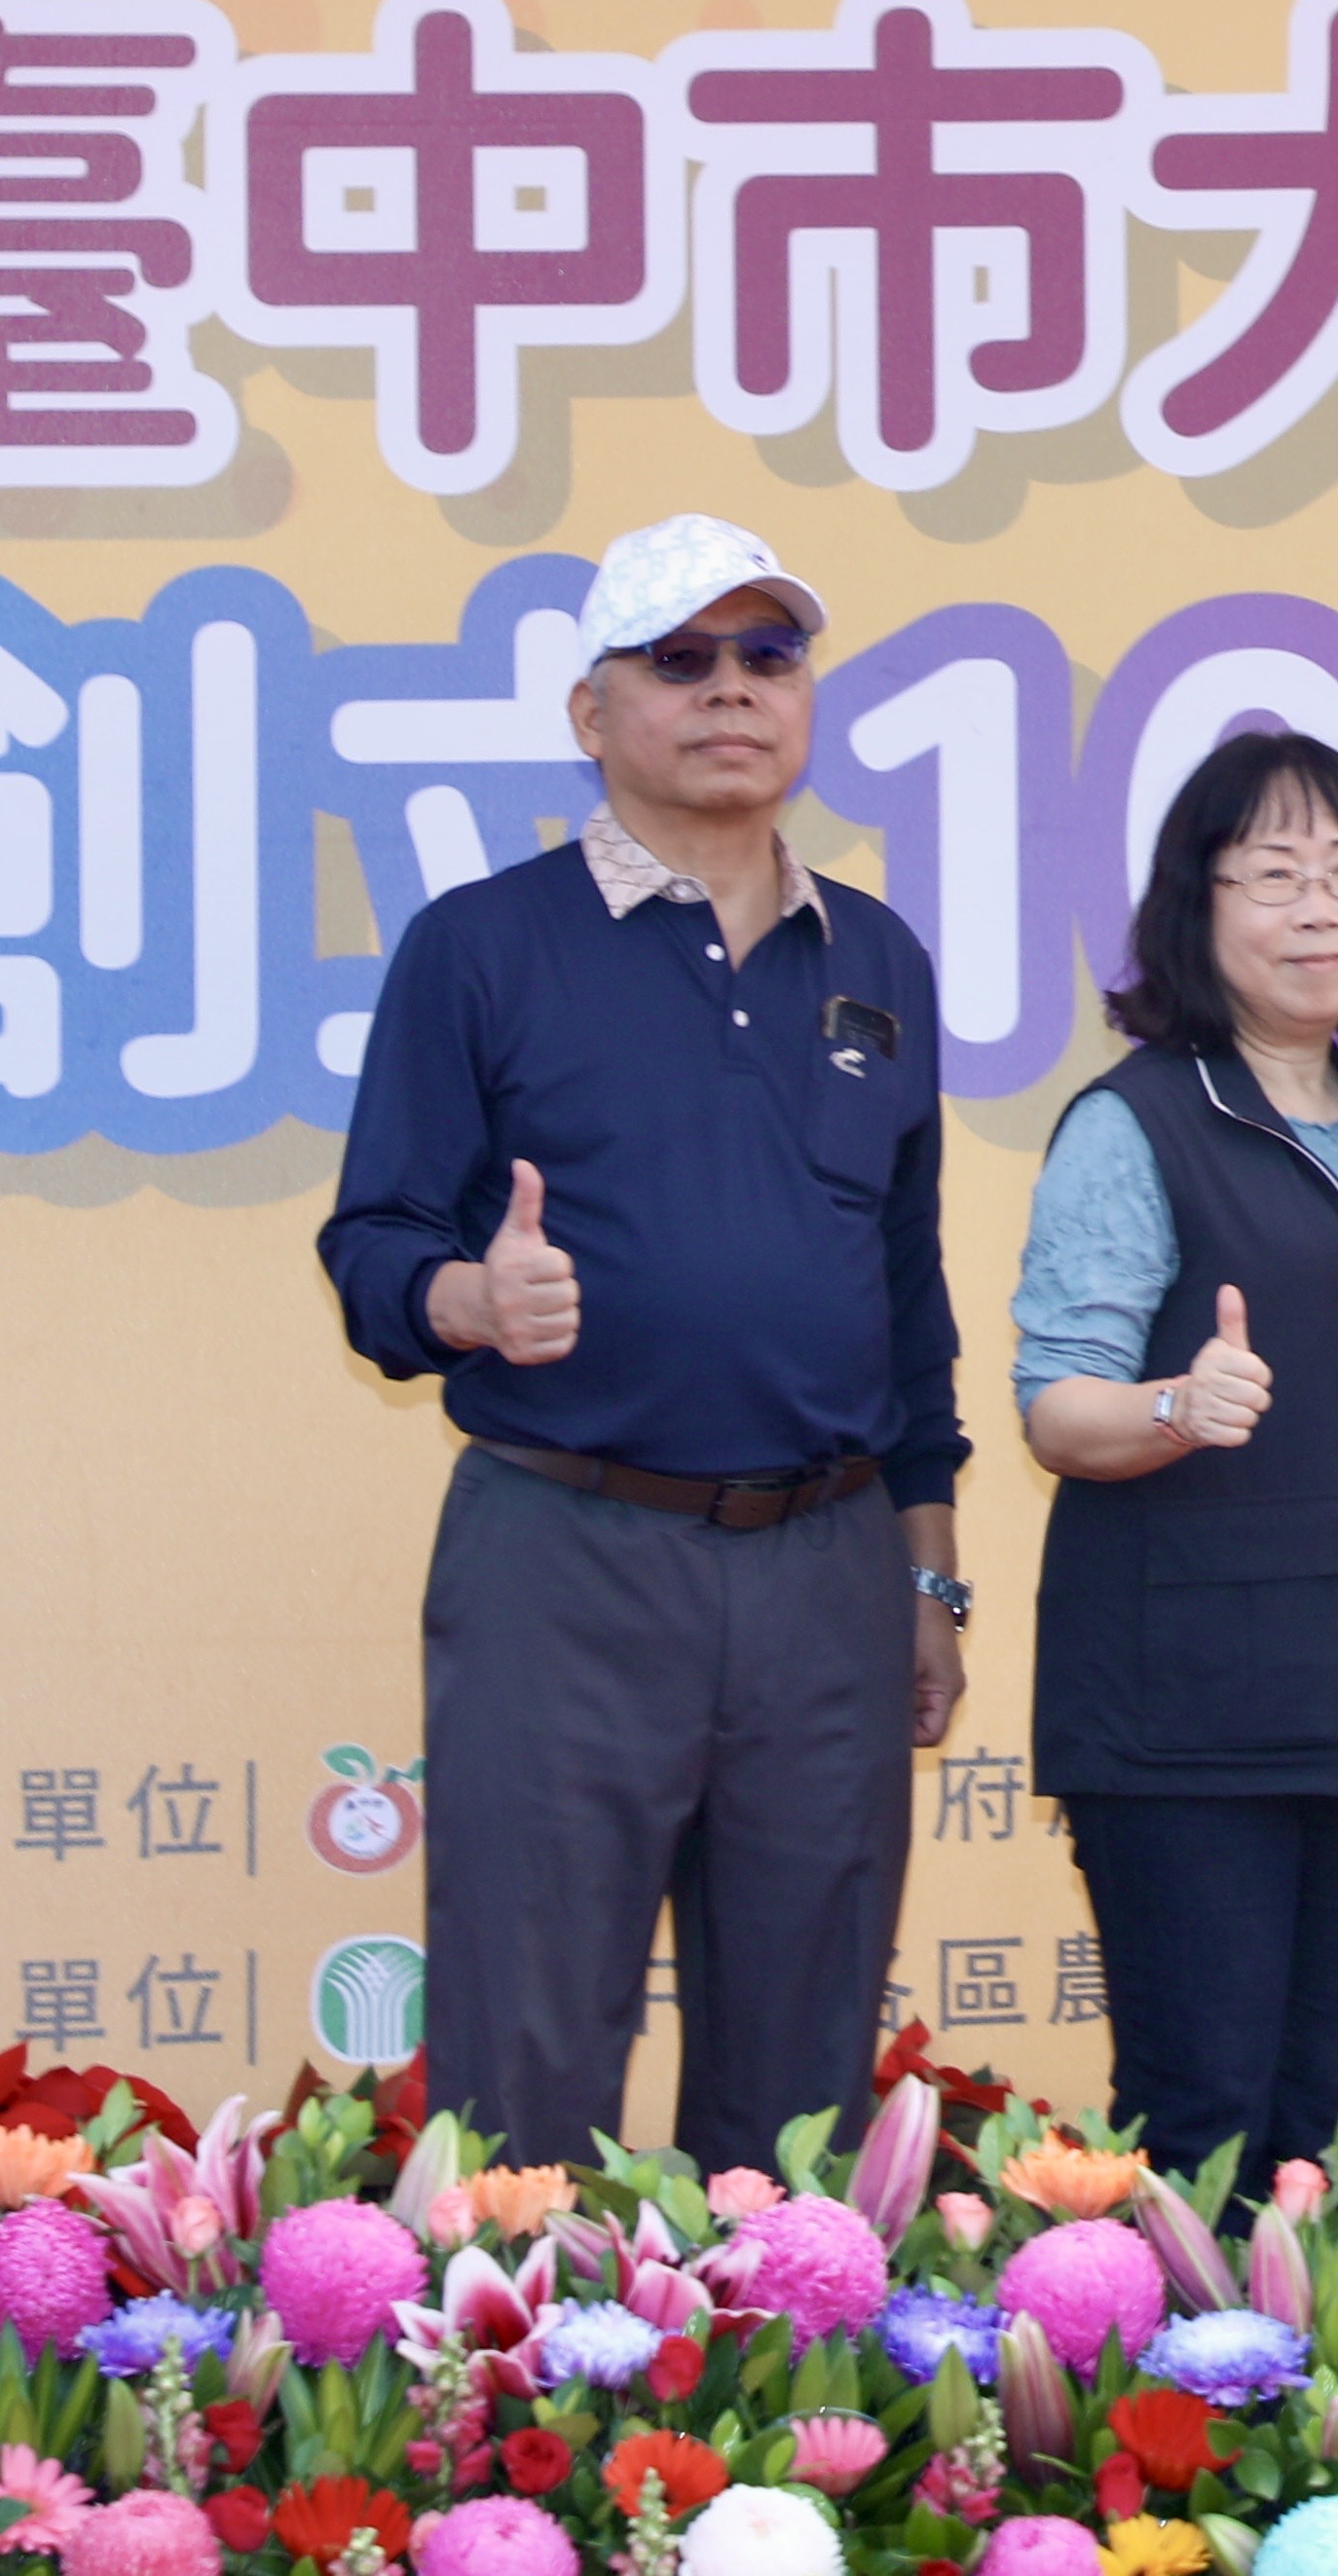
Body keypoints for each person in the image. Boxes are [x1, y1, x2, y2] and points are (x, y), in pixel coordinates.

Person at [316, 514, 966, 2170]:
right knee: (527, 2065)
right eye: (680, 659)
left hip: (828, 1568)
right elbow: (374, 1243)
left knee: (803, 2085)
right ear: (592, 712)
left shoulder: (877, 959)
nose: (731, 689)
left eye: (769, 655)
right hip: (569, 1554)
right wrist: (470, 1301)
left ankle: (776, 2353)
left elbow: (907, 1297)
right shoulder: (485, 943)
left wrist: (931, 1577)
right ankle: (526, 2345)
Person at [1009, 730, 1338, 2177]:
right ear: (1198, 903)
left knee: (1330, 2141)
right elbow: (1057, 1406)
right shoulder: (1138, 1121)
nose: (1320, 911)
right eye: (1276, 876)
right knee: (1204, 2126)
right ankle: (1176, 2345)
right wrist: (1176, 1407)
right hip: (1188, 1726)